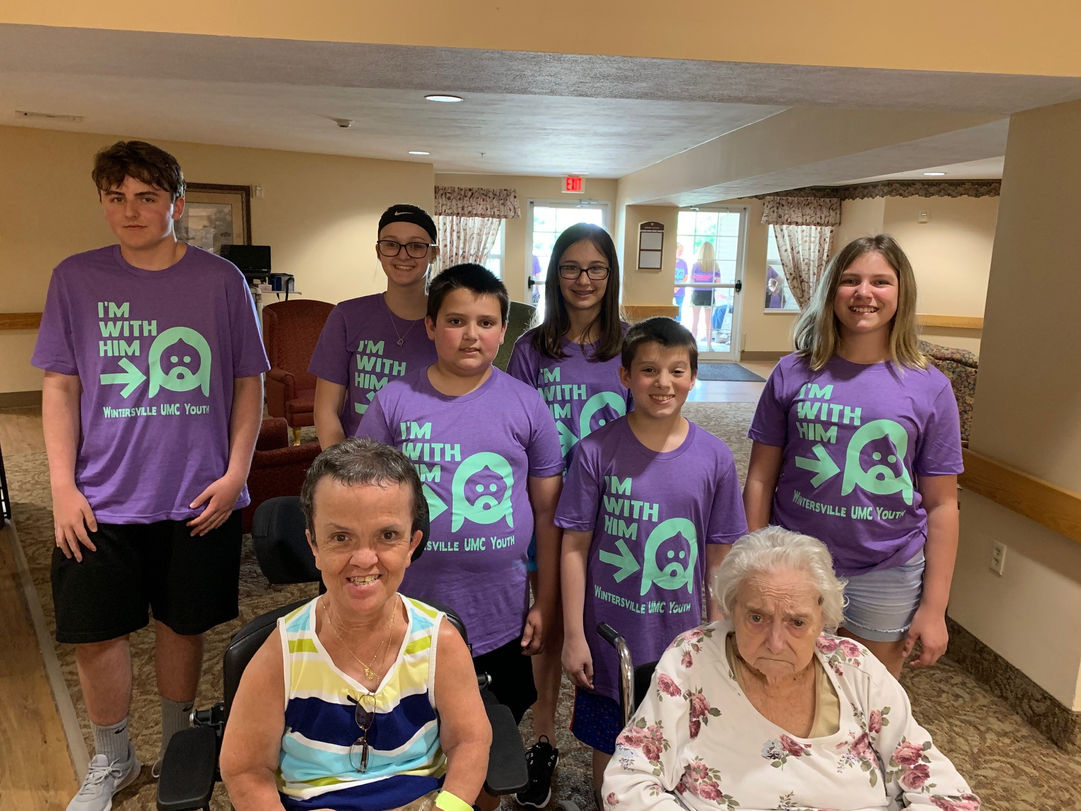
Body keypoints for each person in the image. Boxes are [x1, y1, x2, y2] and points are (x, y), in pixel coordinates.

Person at [31, 140, 268, 810]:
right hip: (100, 498)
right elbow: (60, 388)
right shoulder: (74, 278)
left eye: (147, 197)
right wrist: (61, 488)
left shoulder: (220, 282)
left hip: (197, 494)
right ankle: (112, 759)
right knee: (96, 631)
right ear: (103, 203)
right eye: (116, 198)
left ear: (176, 204)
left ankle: (173, 746)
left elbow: (249, 385)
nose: (131, 210)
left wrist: (235, 474)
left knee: (180, 624)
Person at [357, 263, 564, 811]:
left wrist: (543, 599)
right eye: (455, 320)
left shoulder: (526, 404)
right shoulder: (395, 401)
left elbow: (546, 515)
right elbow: (358, 496)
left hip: (496, 618)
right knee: (410, 739)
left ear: (503, 330)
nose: (471, 334)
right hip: (406, 616)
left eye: (486, 322)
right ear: (430, 326)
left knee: (487, 747)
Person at [602, 527, 980, 810]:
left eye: (797, 622)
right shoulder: (692, 660)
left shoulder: (854, 667)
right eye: (756, 617)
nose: (776, 641)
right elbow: (630, 780)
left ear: (823, 619)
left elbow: (945, 791)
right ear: (732, 608)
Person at [220, 439, 491, 810]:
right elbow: (247, 770)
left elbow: (470, 742)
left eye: (388, 535)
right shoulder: (279, 655)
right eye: (341, 537)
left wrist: (451, 806)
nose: (364, 559)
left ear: (412, 544)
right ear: (313, 545)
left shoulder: (439, 641)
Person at [743, 235, 963, 678]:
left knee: (869, 701)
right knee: (782, 683)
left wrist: (935, 608)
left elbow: (942, 504)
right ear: (831, 292)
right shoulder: (792, 373)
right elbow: (760, 479)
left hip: (887, 571)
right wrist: (752, 561)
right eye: (850, 280)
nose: (864, 293)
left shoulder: (929, 386)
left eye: (881, 281)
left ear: (901, 295)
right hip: (795, 562)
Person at [557, 317, 747, 800]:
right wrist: (575, 634)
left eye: (677, 371)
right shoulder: (595, 452)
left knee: (677, 742)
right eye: (648, 371)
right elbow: (574, 547)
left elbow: (720, 557)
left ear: (693, 376)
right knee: (611, 747)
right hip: (608, 638)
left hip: (680, 637)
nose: (663, 383)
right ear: (625, 377)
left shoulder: (716, 458)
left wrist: (719, 633)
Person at [506, 223, 632, 807]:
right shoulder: (533, 349)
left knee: (613, 625)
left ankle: (622, 747)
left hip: (616, 514)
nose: (584, 280)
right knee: (551, 627)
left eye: (596, 269)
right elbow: (517, 432)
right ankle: (545, 742)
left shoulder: (632, 346)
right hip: (550, 511)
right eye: (571, 268)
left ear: (611, 275)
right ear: (555, 275)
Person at [309, 203, 439, 448]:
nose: (403, 255)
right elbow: (326, 411)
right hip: (361, 465)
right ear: (378, 251)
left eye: (416, 246)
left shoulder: (448, 323)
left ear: (433, 253)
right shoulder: (347, 316)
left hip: (428, 463)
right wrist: (344, 472)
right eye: (391, 244)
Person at [689, 242, 718, 350]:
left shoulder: (696, 265)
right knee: (708, 320)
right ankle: (709, 345)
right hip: (709, 294)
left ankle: (692, 345)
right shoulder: (715, 265)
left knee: (695, 320)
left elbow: (691, 281)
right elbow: (718, 281)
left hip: (697, 293)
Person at [672, 242, 688, 320]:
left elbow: (686, 277)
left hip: (680, 290)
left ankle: (678, 326)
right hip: (669, 290)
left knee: (679, 310)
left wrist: (678, 286)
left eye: (682, 251)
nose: (681, 252)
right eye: (680, 250)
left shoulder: (683, 263)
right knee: (669, 310)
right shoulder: (669, 262)